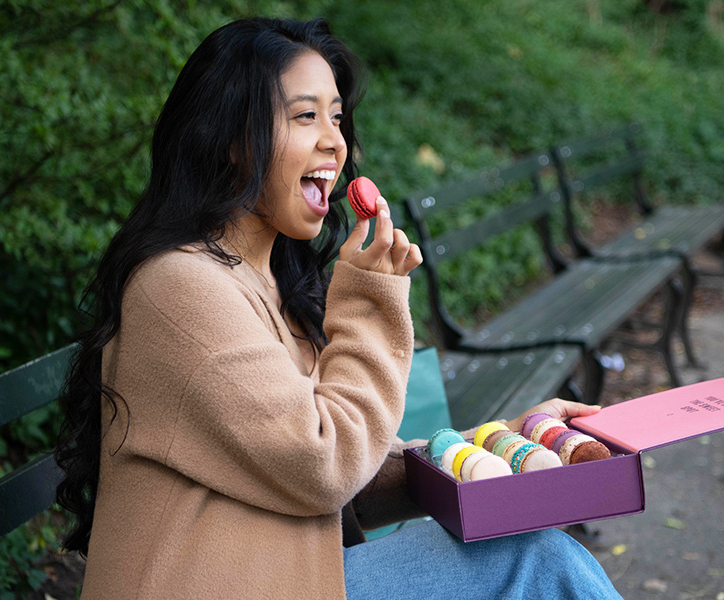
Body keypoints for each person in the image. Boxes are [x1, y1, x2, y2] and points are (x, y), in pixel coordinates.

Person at [54, 17, 622, 599]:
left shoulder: (262, 282)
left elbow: (339, 473)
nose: (334, 140)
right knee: (536, 561)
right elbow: (323, 465)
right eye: (306, 116)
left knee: (529, 549)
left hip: (284, 578)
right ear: (230, 140)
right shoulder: (178, 287)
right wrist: (370, 305)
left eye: (336, 117)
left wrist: (503, 442)